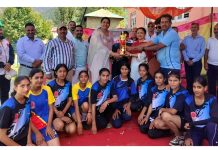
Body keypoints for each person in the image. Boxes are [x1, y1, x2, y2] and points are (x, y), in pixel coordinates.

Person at [128, 14, 181, 78]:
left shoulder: (172, 33)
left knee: (171, 87)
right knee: (163, 87)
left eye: (166, 22)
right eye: (162, 22)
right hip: (162, 66)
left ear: (170, 23)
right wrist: (132, 48)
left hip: (171, 67)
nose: (164, 24)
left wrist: (143, 49)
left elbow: (158, 46)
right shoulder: (161, 34)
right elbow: (150, 43)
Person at [148, 71, 189, 146]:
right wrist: (156, 118)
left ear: (180, 81)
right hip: (175, 118)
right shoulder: (170, 91)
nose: (172, 83)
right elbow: (167, 107)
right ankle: (181, 133)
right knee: (157, 123)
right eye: (170, 80)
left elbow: (173, 111)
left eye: (175, 80)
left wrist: (162, 110)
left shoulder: (182, 93)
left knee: (165, 115)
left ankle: (178, 137)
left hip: (185, 120)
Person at [28, 69, 60, 146]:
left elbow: (51, 109)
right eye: (36, 78)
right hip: (33, 128)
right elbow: (26, 118)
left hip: (46, 124)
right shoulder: (26, 93)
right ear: (30, 79)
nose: (39, 80)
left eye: (41, 77)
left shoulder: (47, 89)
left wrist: (49, 126)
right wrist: (37, 133)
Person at [184, 76, 218, 146]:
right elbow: (187, 121)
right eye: (194, 87)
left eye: (199, 87)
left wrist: (193, 123)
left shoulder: (212, 99)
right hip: (195, 130)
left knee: (212, 125)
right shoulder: (188, 100)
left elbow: (214, 119)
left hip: (209, 129)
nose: (196, 90)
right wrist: (187, 136)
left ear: (205, 88)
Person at [87, 17, 121, 83]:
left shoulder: (110, 33)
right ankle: (95, 92)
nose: (105, 24)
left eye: (107, 23)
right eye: (104, 22)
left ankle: (105, 92)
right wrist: (112, 53)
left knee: (106, 76)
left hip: (108, 58)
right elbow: (100, 46)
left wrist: (116, 52)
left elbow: (112, 45)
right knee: (97, 76)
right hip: (98, 58)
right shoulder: (96, 32)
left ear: (109, 24)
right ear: (101, 23)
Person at [0, 76, 31, 146]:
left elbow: (27, 122)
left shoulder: (28, 101)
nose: (26, 89)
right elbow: (1, 136)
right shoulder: (8, 107)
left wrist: (29, 142)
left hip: (22, 139)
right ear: (15, 87)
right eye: (22, 86)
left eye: (28, 85)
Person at [47, 64, 76, 135]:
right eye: (60, 71)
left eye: (64, 71)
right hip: (54, 111)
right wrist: (57, 113)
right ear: (56, 73)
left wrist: (63, 113)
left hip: (64, 110)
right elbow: (49, 103)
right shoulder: (50, 85)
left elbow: (69, 101)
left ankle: (64, 124)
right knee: (59, 126)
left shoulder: (68, 84)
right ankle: (60, 124)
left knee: (72, 130)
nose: (62, 73)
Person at [91, 68, 118, 134]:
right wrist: (93, 124)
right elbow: (93, 105)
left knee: (113, 103)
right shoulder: (95, 87)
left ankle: (107, 120)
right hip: (97, 109)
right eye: (103, 76)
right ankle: (98, 120)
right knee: (102, 125)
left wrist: (106, 102)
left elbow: (116, 98)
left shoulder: (110, 83)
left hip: (105, 106)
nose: (105, 78)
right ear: (99, 76)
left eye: (107, 76)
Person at [182, 22, 206, 94]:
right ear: (190, 28)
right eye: (192, 27)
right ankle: (189, 94)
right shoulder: (186, 38)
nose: (193, 29)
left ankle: (196, 94)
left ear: (198, 28)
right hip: (187, 61)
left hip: (197, 62)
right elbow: (183, 49)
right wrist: (187, 60)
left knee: (196, 79)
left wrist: (193, 61)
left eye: (195, 27)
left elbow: (202, 52)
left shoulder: (201, 39)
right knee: (188, 79)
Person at [111, 63, 137, 128]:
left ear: (128, 70)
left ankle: (122, 113)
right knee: (117, 125)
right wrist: (115, 109)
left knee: (127, 117)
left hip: (125, 104)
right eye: (122, 69)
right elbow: (112, 93)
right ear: (120, 70)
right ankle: (115, 114)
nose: (124, 71)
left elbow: (133, 94)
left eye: (126, 69)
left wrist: (128, 105)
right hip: (116, 104)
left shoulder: (131, 81)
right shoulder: (115, 79)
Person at [72, 70, 92, 134]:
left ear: (88, 78)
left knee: (86, 105)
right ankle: (78, 121)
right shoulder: (75, 87)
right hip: (76, 107)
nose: (83, 78)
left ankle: (83, 121)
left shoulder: (90, 85)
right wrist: (79, 123)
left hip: (83, 107)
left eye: (85, 76)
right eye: (81, 77)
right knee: (77, 120)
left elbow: (90, 101)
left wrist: (89, 112)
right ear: (78, 78)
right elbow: (75, 105)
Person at [0, 27, 14, 104]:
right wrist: (2, 65)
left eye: (1, 29)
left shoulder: (6, 41)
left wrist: (9, 62)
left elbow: (11, 53)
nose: (0, 31)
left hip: (6, 74)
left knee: (5, 94)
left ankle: (3, 112)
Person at [204, 23, 218, 98]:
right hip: (211, 65)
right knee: (211, 84)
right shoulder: (210, 39)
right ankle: (212, 99)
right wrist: (205, 63)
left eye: (217, 29)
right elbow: (206, 52)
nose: (216, 31)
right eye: (215, 29)